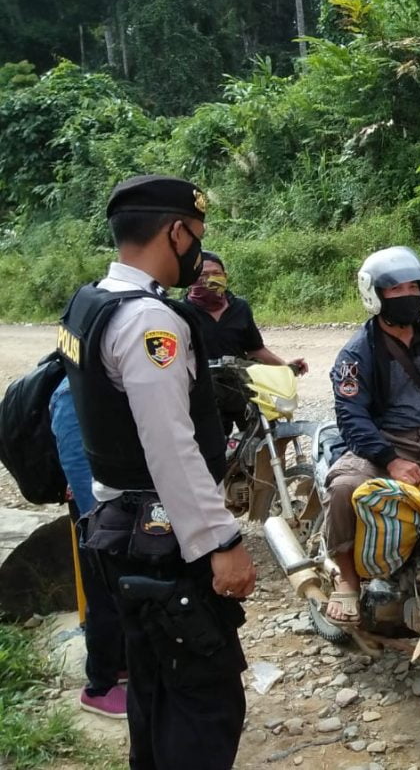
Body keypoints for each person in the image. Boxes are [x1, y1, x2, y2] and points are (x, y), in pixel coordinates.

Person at [58, 174, 257, 769]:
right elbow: (170, 447)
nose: (198, 253)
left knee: (152, 689)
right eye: (195, 236)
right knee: (203, 702)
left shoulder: (88, 303)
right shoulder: (151, 324)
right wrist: (221, 541)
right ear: (175, 232)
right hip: (163, 541)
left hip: (117, 526)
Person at [321, 246, 420, 625]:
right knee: (344, 489)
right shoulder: (356, 353)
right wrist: (391, 459)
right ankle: (347, 578)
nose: (408, 296)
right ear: (374, 295)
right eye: (396, 290)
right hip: (380, 443)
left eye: (414, 288)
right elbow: (351, 416)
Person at [49, 377, 128, 719]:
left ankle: (120, 665)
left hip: (112, 506)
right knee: (103, 594)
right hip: (96, 513)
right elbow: (77, 463)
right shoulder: (72, 390)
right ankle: (98, 686)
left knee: (121, 591)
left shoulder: (103, 377)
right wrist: (99, 522)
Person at [183, 251, 307, 371]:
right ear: (190, 279)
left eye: (216, 273)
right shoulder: (181, 312)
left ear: (225, 276)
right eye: (203, 275)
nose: (211, 279)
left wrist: (286, 367)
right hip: (198, 387)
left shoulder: (240, 308)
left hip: (237, 385)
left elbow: (255, 349)